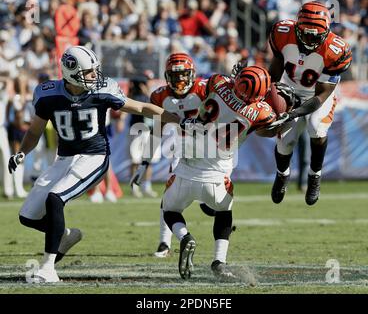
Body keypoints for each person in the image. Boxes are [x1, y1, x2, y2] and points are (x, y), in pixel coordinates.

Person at [7, 45, 188, 283]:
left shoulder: (103, 90)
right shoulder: (47, 94)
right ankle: (66, 236)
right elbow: (34, 131)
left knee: (55, 198)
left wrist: (175, 118)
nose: (95, 76)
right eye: (89, 72)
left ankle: (48, 268)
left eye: (95, 71)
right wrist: (21, 153)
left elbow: (142, 107)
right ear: (71, 72)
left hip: (94, 157)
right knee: (28, 216)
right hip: (64, 158)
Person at [161, 65, 276, 279]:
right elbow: (271, 129)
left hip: (187, 166)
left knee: (168, 210)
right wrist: (287, 112)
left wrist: (234, 79)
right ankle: (219, 262)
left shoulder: (218, 82)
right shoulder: (262, 111)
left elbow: (217, 86)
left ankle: (184, 236)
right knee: (224, 213)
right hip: (217, 177)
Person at [130, 52, 214, 258]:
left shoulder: (205, 89)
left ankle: (209, 209)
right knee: (168, 198)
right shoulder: (160, 96)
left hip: (210, 147)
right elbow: (157, 132)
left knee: (214, 203)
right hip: (180, 148)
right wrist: (144, 164)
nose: (180, 80)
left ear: (192, 74)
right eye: (175, 76)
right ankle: (164, 243)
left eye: (184, 75)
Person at [268, 1, 352, 205]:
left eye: (315, 34)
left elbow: (321, 95)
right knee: (285, 141)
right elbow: (275, 70)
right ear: (297, 26)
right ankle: (282, 175)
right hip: (289, 88)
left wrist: (293, 113)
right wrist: (268, 97)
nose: (309, 38)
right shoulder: (282, 32)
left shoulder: (336, 50)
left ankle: (315, 175)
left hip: (317, 94)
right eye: (305, 33)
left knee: (316, 127)